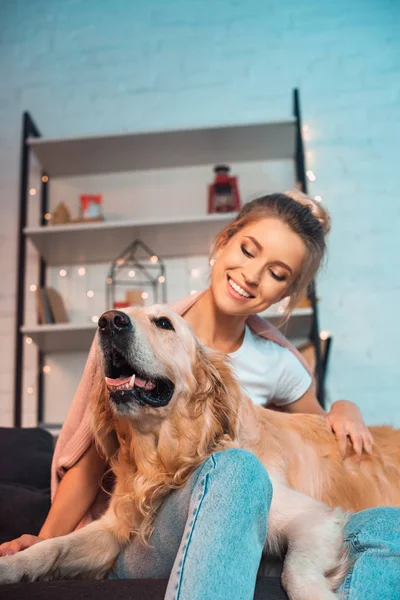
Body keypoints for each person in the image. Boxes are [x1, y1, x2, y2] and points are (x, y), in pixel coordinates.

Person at [1, 191, 399, 600]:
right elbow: (95, 455)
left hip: (235, 500)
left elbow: (319, 431)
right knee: (238, 470)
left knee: (389, 525)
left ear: (287, 294)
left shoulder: (275, 363)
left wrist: (344, 407)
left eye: (277, 273)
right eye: (247, 250)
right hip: (176, 513)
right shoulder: (141, 332)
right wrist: (45, 540)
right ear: (223, 241)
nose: (251, 274)